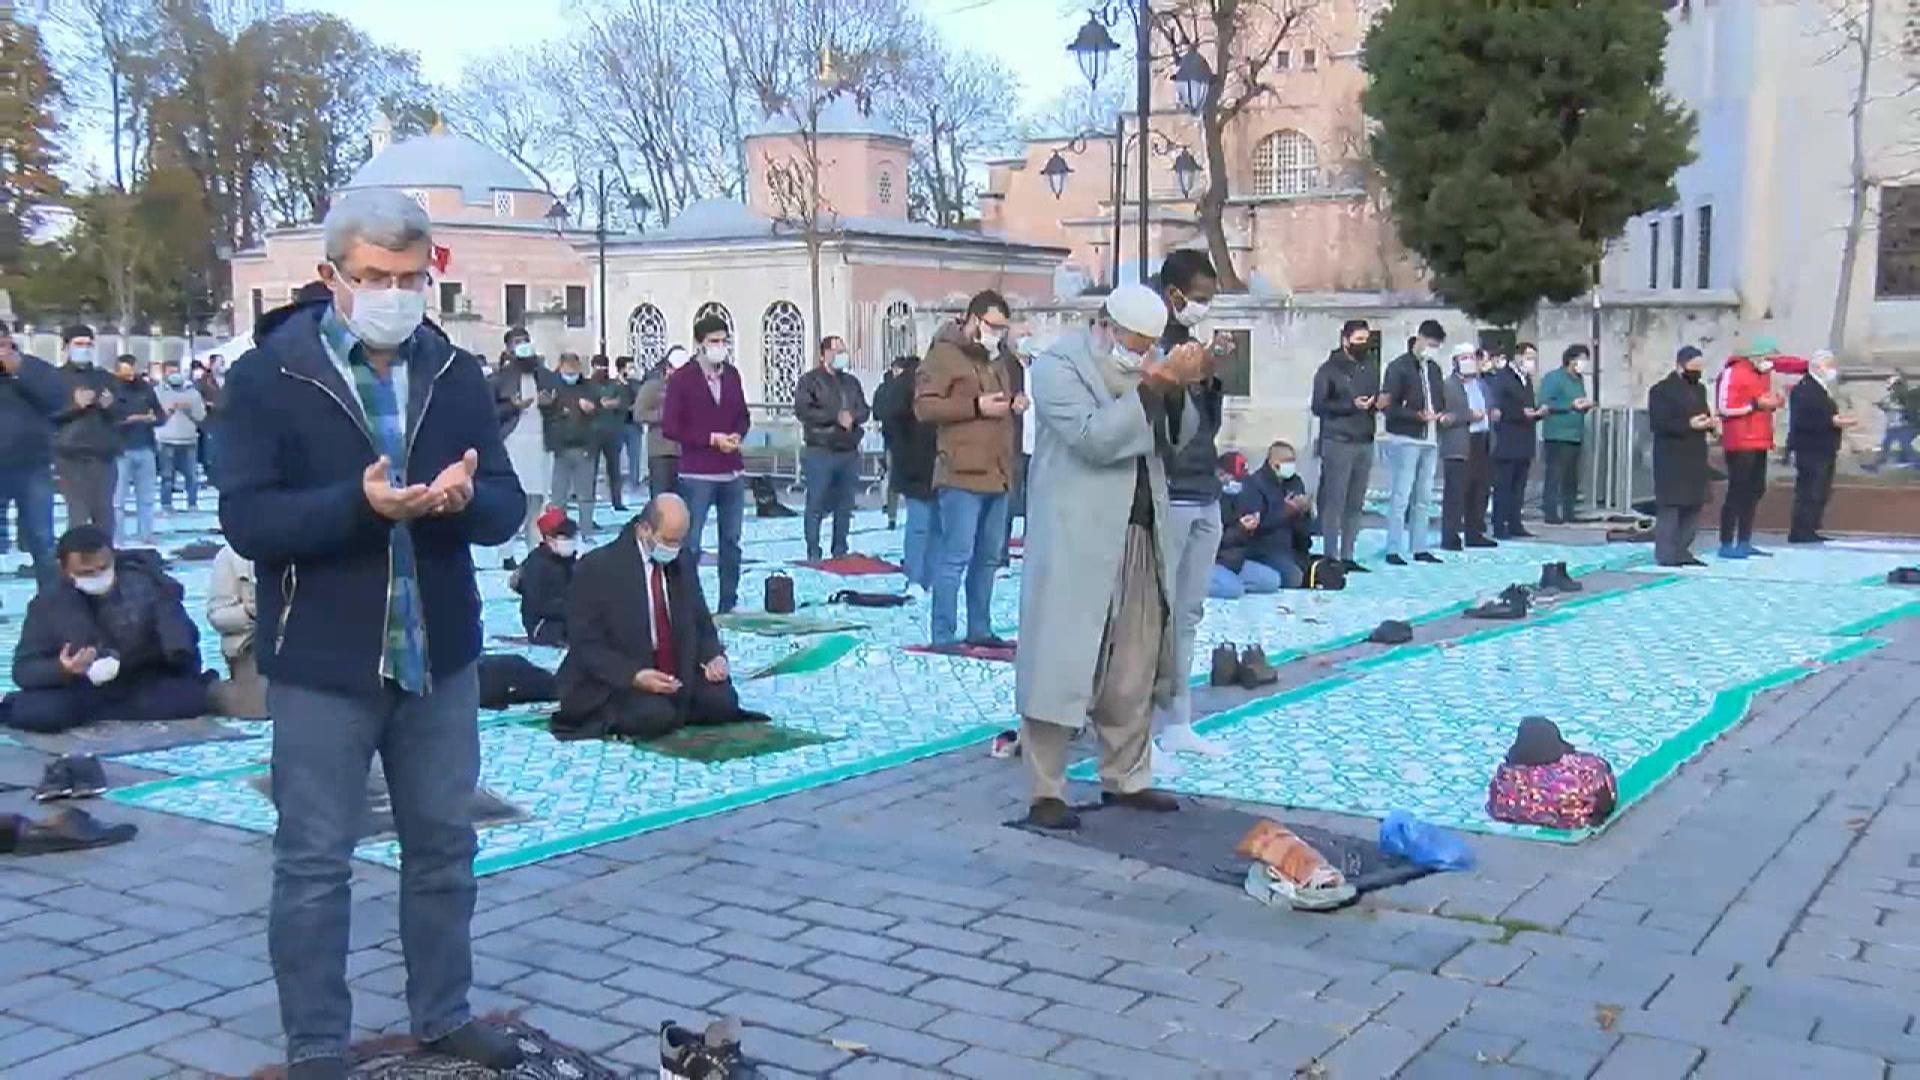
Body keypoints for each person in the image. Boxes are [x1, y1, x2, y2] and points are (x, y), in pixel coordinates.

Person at [219, 188, 527, 1077]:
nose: (395, 293)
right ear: (331, 276)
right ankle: (317, 1042)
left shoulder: (453, 371)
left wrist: (464, 503)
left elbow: (505, 501)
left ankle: (443, 1014)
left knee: (444, 847)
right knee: (314, 862)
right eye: (374, 277)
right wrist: (357, 505)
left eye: (409, 277)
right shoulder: (271, 376)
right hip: (322, 660)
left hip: (438, 657)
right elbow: (250, 521)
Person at [1016, 283, 1210, 831]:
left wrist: (1178, 389)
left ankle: (1127, 777)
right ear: (1105, 324)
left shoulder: (1147, 371)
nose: (1142, 352)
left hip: (1140, 533)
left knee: (1135, 662)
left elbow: (1180, 437)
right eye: (1134, 340)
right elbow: (1094, 439)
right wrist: (1155, 388)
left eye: (1151, 344)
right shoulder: (1057, 368)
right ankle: (1046, 789)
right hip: (1077, 538)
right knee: (1063, 658)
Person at [552, 494, 765, 740]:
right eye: (668, 540)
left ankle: (672, 705)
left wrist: (713, 656)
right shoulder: (598, 567)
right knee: (654, 715)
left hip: (674, 667)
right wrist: (634, 676)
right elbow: (586, 644)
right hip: (619, 672)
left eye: (679, 541)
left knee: (721, 702)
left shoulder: (681, 560)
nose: (674, 548)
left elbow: (700, 619)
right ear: (644, 530)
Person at [2, 526, 210, 733]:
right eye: (86, 573)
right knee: (42, 713)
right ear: (65, 570)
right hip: (80, 687)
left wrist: (173, 642)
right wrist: (64, 668)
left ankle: (107, 711)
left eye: (103, 568)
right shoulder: (48, 604)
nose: (97, 577)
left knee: (189, 699)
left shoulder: (147, 585)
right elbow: (23, 670)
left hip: (139, 681)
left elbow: (185, 648)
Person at [1151, 249, 1229, 762]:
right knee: (1152, 615)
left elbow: (1206, 426)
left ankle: (1178, 719)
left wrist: (1212, 377)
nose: (1202, 307)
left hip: (1205, 490)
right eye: (1198, 298)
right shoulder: (1151, 347)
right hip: (1170, 492)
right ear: (1173, 292)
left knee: (1189, 614)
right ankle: (1138, 723)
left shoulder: (1189, 346)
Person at [915, 290, 1026, 646]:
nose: (999, 333)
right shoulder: (944, 355)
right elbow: (925, 407)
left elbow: (996, 406)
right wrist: (976, 405)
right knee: (955, 557)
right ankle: (943, 634)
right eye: (994, 326)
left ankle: (980, 628)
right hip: (961, 474)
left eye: (1003, 328)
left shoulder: (997, 359)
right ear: (974, 320)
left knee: (989, 559)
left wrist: (1012, 403)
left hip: (997, 472)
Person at [663, 315, 752, 614]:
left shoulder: (732, 375)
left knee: (731, 540)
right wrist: (710, 438)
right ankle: (687, 603)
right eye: (714, 341)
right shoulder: (682, 379)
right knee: (691, 542)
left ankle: (729, 599)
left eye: (724, 341)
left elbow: (742, 414)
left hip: (732, 471)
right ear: (700, 343)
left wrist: (737, 434)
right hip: (697, 472)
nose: (720, 347)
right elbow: (671, 427)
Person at [1310, 319, 1380, 572]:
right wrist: (1351, 406)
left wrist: (1375, 404)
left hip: (1364, 439)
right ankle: (1331, 555)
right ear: (1345, 340)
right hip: (1338, 441)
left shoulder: (1370, 367)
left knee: (1356, 502)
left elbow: (1374, 396)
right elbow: (1319, 405)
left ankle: (1348, 554)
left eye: (1366, 339)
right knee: (1334, 501)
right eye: (1358, 340)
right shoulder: (1329, 370)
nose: (1363, 344)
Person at [794, 334, 871, 561]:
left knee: (844, 505)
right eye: (836, 351)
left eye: (843, 350)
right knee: (816, 502)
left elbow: (864, 409)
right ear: (823, 354)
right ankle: (813, 550)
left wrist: (853, 417)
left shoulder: (851, 382)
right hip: (821, 449)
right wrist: (834, 417)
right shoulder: (810, 381)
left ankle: (840, 549)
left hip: (848, 450)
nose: (840, 356)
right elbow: (803, 410)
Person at [0, 320, 64, 586]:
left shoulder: (33, 367)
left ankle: (50, 601)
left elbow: (58, 399)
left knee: (42, 539)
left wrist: (20, 371)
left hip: (32, 466)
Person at [1380, 319, 1448, 566]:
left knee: (1424, 496)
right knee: (1401, 495)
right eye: (1429, 344)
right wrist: (1415, 415)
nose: (1431, 349)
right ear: (1419, 339)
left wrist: (1440, 414)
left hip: (1430, 438)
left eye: (1436, 346)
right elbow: (1390, 407)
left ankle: (1420, 546)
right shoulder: (1399, 367)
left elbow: (1440, 398)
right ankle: (1393, 548)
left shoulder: (1434, 369)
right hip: (1406, 437)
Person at [490, 327, 556, 556]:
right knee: (513, 498)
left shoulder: (544, 375)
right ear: (508, 348)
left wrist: (550, 405)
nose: (523, 345)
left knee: (537, 500)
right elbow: (489, 413)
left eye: (526, 341)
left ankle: (535, 550)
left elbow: (559, 404)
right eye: (517, 342)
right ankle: (506, 553)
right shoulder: (499, 379)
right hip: (513, 443)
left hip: (541, 444)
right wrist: (512, 407)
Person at [1648, 346, 1716, 568]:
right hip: (1671, 455)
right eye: (1693, 368)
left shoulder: (1700, 389)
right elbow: (1658, 423)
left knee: (1694, 504)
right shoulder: (1661, 390)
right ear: (1680, 365)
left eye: (1700, 368)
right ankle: (1666, 554)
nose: (1697, 372)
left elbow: (1704, 413)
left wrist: (1710, 425)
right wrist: (1688, 424)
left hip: (1695, 454)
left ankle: (1683, 549)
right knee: (1671, 506)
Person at [875, 355, 939, 590]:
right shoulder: (905, 387)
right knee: (924, 524)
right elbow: (888, 417)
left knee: (928, 525)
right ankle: (918, 575)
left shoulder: (928, 380)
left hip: (919, 462)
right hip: (918, 463)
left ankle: (924, 576)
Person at [1715, 338, 1784, 559]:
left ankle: (1744, 539)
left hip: (1760, 439)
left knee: (1755, 489)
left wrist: (1774, 402)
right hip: (1740, 439)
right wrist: (1754, 406)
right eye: (1766, 358)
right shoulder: (1733, 372)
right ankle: (1726, 541)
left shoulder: (1762, 375)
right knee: (1737, 490)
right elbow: (1724, 407)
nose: (1769, 363)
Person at [53, 325, 120, 538]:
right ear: (66, 347)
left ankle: (106, 560)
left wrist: (110, 406)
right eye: (79, 344)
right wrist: (74, 406)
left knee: (105, 514)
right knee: (78, 514)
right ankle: (77, 564)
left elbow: (122, 414)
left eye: (89, 344)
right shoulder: (55, 377)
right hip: (70, 455)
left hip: (103, 455)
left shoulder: (104, 377)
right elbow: (46, 414)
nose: (85, 349)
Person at [1788, 350, 1856, 544]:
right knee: (1810, 490)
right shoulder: (1804, 389)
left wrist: (1836, 420)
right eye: (1830, 365)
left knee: (1821, 489)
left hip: (1825, 446)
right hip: (1810, 447)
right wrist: (1831, 421)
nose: (1833, 369)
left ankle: (1811, 527)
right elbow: (1802, 420)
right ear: (1818, 367)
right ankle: (1801, 530)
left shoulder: (1821, 388)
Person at [1438, 343, 1496, 551]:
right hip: (1460, 443)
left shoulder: (1481, 385)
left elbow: (1488, 406)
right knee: (1456, 491)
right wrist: (1468, 416)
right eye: (1464, 358)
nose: (1469, 362)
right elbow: (1443, 417)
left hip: (1483, 440)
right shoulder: (1448, 386)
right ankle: (1450, 535)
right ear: (1455, 362)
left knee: (1480, 490)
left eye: (1471, 357)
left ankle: (1475, 532)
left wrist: (1492, 413)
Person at [1237, 441, 1315, 589]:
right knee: (1294, 578)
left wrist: (1305, 511)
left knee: (1316, 573)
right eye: (1286, 461)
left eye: (1292, 461)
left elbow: (1303, 528)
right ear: (1273, 462)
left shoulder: (1295, 482)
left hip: (1292, 549)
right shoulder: (1254, 484)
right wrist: (1286, 511)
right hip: (1263, 551)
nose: (1290, 465)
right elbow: (1256, 524)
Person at [1488, 343, 1546, 539]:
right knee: (1503, 485)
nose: (1532, 362)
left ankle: (1515, 522)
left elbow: (1529, 406)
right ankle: (1499, 524)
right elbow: (1499, 407)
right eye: (1529, 357)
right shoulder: (1503, 378)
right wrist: (1522, 413)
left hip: (1524, 439)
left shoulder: (1526, 380)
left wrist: (1538, 413)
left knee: (1519, 486)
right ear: (1518, 356)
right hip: (1507, 439)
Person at [207, 542, 267, 718]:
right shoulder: (230, 557)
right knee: (258, 707)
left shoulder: (306, 549)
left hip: (301, 646)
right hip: (250, 647)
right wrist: (248, 612)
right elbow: (217, 615)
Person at [544, 352, 600, 537]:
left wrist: (592, 409)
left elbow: (599, 411)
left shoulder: (588, 387)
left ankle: (586, 531)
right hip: (560, 450)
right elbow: (546, 414)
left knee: (585, 495)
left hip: (584, 448)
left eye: (574, 371)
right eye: (567, 371)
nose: (571, 375)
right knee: (559, 496)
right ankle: (560, 532)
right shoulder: (552, 386)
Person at [109, 354, 163, 546]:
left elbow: (160, 415)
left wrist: (152, 419)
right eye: (125, 370)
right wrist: (128, 421)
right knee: (118, 499)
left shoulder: (145, 389)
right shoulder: (111, 389)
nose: (130, 374)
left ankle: (146, 534)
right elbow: (107, 420)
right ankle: (117, 538)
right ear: (117, 370)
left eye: (132, 369)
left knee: (147, 497)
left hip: (145, 447)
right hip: (121, 449)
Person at [1538, 344, 1595, 524]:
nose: (1583, 364)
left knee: (1571, 476)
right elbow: (1545, 403)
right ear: (1570, 360)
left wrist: (1585, 406)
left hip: (1575, 434)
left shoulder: (1578, 380)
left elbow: (1579, 402)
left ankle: (1569, 512)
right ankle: (1551, 512)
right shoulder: (1554, 378)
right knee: (1555, 474)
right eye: (1581, 359)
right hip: (1557, 434)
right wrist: (1570, 405)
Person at [1209, 452, 1275, 599]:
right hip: (1213, 561)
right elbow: (1213, 540)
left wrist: (1255, 523)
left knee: (1271, 581)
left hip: (1235, 562)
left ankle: (1227, 580)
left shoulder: (1242, 496)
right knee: (1233, 590)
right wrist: (1240, 529)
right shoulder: (1211, 500)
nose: (1238, 484)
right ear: (1220, 474)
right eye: (1234, 479)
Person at [512, 508, 578, 645]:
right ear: (550, 540)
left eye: (571, 536)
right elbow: (538, 603)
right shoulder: (537, 564)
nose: (571, 541)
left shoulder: (568, 561)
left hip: (564, 618)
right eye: (565, 537)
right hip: (542, 625)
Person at [154, 359, 209, 513]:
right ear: (164, 373)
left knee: (191, 476)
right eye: (170, 372)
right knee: (167, 477)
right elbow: (154, 414)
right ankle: (166, 505)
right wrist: (169, 410)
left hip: (189, 439)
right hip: (166, 439)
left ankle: (192, 504)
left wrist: (189, 409)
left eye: (176, 371)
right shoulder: (157, 392)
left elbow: (201, 416)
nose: (174, 375)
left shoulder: (193, 393)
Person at [633, 346, 686, 498]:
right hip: (661, 453)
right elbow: (639, 414)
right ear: (668, 368)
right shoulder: (652, 387)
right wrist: (664, 415)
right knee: (661, 500)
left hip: (685, 452)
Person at [588, 355, 632, 513]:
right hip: (592, 433)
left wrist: (614, 404)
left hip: (612, 433)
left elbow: (624, 403)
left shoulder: (615, 385)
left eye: (604, 367)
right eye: (598, 366)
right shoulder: (587, 385)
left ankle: (617, 501)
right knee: (590, 472)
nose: (601, 370)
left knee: (614, 470)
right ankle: (588, 504)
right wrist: (602, 404)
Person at [1871, 375, 1916, 470]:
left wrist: (1888, 407)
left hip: (1903, 427)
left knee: (1905, 446)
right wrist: (1883, 406)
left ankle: (1915, 463)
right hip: (1894, 427)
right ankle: (1876, 465)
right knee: (1887, 445)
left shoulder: (1906, 395)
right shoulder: (1894, 396)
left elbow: (1906, 409)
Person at [196, 353, 227, 485]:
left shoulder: (229, 379)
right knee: (210, 450)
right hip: (210, 419)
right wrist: (208, 404)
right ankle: (211, 476)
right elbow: (197, 398)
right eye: (220, 362)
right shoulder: (204, 380)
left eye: (223, 362)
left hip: (226, 419)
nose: (222, 366)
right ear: (212, 364)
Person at [616, 355, 644, 499]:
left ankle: (634, 484)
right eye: (629, 367)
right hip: (618, 425)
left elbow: (641, 400)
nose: (632, 370)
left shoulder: (636, 385)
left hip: (634, 425)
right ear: (621, 369)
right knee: (616, 458)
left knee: (635, 457)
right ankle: (615, 486)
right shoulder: (614, 384)